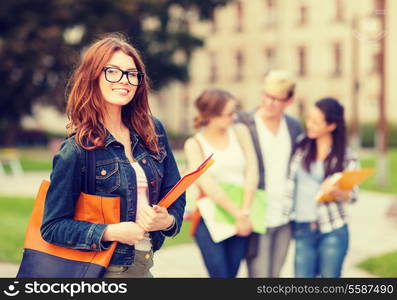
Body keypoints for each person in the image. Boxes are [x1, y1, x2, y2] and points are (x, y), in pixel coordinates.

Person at [40, 34, 185, 278]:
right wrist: (110, 232)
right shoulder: (77, 149)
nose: (124, 80)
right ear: (93, 76)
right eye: (113, 71)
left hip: (144, 261)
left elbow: (176, 192)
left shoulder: (153, 130)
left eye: (131, 74)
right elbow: (53, 227)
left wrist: (167, 220)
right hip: (104, 269)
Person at [184, 89, 258, 278]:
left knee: (232, 274)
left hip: (243, 212)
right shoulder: (194, 144)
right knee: (219, 275)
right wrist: (238, 214)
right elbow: (207, 184)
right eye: (229, 114)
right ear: (211, 116)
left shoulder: (240, 132)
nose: (234, 117)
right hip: (210, 219)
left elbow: (252, 169)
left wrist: (245, 212)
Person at [238, 70, 303, 277]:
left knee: (275, 274)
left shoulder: (293, 126)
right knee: (258, 273)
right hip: (257, 212)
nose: (269, 102)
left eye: (277, 99)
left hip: (285, 213)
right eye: (266, 95)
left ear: (289, 101)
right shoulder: (244, 123)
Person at [288, 97, 359, 277]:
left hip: (333, 228)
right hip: (303, 228)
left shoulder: (346, 156)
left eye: (315, 122)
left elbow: (353, 196)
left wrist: (337, 192)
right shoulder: (300, 146)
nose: (309, 124)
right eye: (309, 119)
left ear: (331, 126)